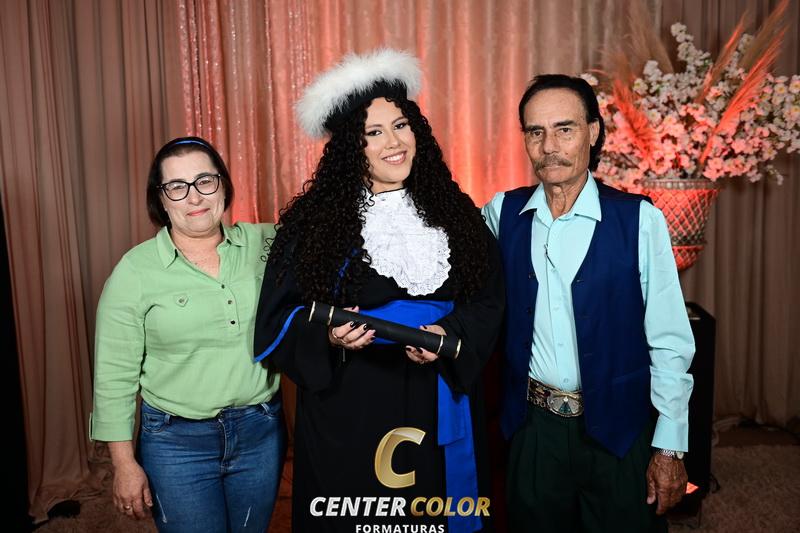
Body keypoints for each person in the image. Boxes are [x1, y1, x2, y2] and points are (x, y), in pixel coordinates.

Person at [254, 49, 504, 532]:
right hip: (354, 405)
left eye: (401, 125)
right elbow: (276, 322)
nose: (394, 142)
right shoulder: (314, 225)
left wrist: (449, 333)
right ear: (351, 148)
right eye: (374, 132)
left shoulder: (456, 212)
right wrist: (328, 337)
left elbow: (489, 299)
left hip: (437, 389)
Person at [483, 74, 695, 532]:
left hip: (619, 430)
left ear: (593, 132)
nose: (549, 146)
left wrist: (669, 446)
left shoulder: (639, 221)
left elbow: (669, 340)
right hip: (533, 429)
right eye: (535, 132)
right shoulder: (502, 214)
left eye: (565, 129)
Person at [90, 136, 286, 532]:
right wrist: (124, 464)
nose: (194, 196)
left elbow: (329, 239)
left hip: (260, 432)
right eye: (177, 187)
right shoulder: (135, 271)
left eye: (205, 181)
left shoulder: (266, 243)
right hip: (175, 443)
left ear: (223, 186)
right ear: (161, 200)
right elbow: (114, 377)